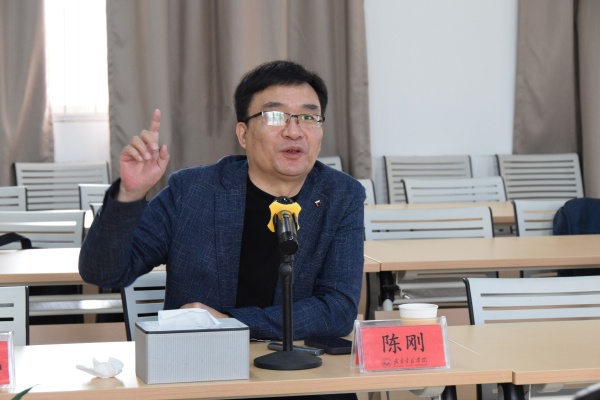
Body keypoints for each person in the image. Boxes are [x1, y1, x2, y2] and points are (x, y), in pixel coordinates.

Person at [79, 60, 365, 346]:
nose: (294, 131)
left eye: (308, 117)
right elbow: (104, 273)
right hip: (201, 360)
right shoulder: (192, 192)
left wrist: (230, 322)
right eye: (276, 116)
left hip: (302, 366)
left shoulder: (341, 196)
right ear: (243, 134)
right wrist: (129, 194)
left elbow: (338, 309)